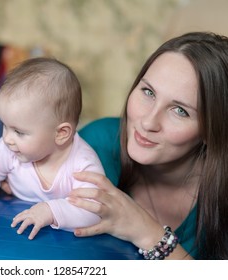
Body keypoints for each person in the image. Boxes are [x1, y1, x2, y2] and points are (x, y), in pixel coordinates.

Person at [67, 31, 228, 260]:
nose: (148, 122)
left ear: (212, 131)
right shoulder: (96, 143)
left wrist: (146, 232)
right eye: (148, 92)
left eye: (180, 111)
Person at [0, 57, 105, 240]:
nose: (6, 138)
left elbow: (93, 209)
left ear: (60, 133)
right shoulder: (10, 150)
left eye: (19, 132)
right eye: (4, 126)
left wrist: (50, 211)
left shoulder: (83, 164)